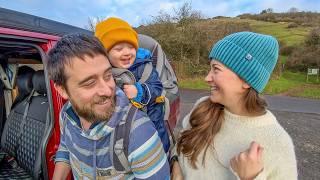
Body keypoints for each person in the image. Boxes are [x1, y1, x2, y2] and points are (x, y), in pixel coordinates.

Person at [171, 32, 297, 180]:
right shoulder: (202, 107)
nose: (207, 78)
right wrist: (176, 166)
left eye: (216, 69)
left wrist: (250, 178)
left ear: (246, 80)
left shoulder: (278, 143)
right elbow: (180, 144)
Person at [47, 33, 170, 179]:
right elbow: (66, 146)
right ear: (62, 89)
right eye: (89, 83)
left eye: (108, 76)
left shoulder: (137, 131)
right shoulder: (66, 115)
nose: (107, 90)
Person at [95, 17, 170, 153]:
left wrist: (139, 91)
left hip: (152, 124)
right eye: (119, 49)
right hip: (122, 132)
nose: (127, 52)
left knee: (157, 152)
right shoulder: (103, 72)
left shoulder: (144, 67)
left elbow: (157, 88)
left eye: (131, 47)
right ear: (106, 53)